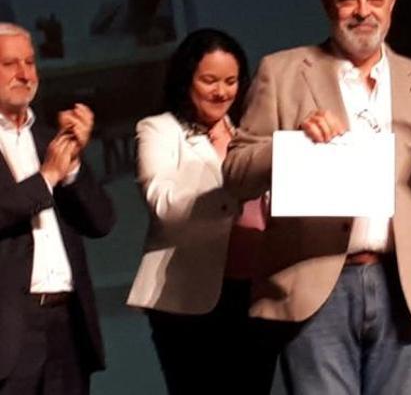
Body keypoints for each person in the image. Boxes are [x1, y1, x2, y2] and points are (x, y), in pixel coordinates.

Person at [223, 0, 411, 395]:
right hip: (318, 283)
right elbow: (236, 171)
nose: (363, 12)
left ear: (393, 2)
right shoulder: (281, 72)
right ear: (326, 2)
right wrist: (293, 145)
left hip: (404, 287)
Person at [125, 28, 276, 394]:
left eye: (231, 81)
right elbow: (163, 203)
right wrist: (234, 188)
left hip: (255, 295)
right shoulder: (159, 130)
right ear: (186, 79)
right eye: (209, 80)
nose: (221, 92)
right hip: (186, 302)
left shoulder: (252, 135)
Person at [0, 22, 115, 394]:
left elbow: (100, 222)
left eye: (31, 62)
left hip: (67, 325)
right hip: (10, 330)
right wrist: (48, 175)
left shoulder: (49, 138)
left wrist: (73, 166)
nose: (25, 74)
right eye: (10, 64)